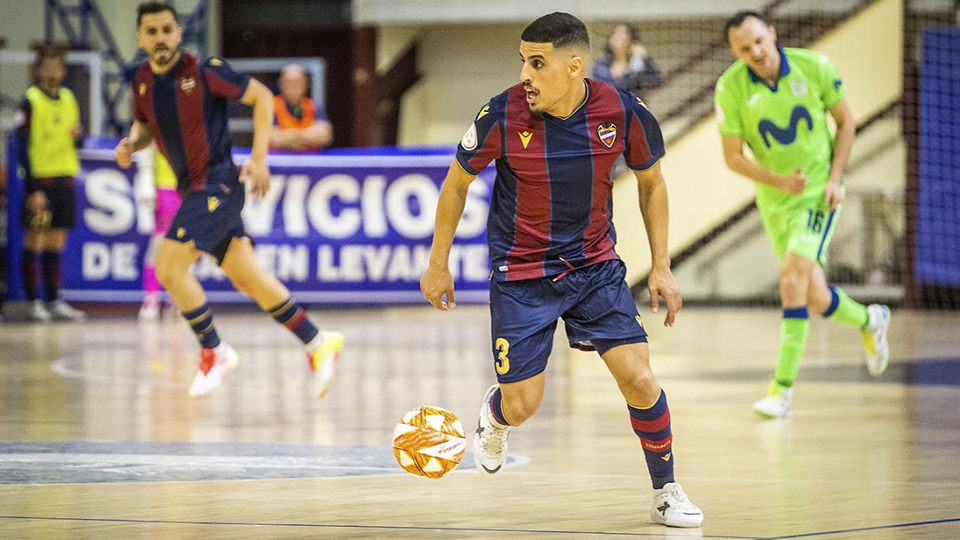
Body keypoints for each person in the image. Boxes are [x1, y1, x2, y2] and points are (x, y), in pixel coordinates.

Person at [420, 12, 703, 529]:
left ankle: (666, 489)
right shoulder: (501, 113)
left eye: (536, 63)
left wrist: (661, 266)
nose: (524, 74)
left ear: (574, 67)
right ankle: (498, 415)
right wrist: (437, 263)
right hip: (522, 274)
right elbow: (456, 184)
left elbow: (652, 182)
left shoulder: (621, 110)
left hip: (594, 267)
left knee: (639, 379)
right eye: (522, 62)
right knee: (524, 404)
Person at [115, 2, 344, 397]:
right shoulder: (141, 81)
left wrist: (258, 158)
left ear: (178, 33)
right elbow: (146, 129)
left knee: (168, 268)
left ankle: (214, 350)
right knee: (248, 277)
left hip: (216, 185)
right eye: (151, 32)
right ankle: (317, 340)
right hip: (193, 190)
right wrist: (130, 144)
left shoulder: (205, 72)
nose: (160, 38)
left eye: (167, 29)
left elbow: (261, 98)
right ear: (140, 38)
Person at [715, 11, 891, 419]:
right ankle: (871, 319)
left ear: (772, 34)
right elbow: (732, 158)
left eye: (759, 41)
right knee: (814, 295)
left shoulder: (815, 67)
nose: (755, 51)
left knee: (791, 279)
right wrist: (777, 181)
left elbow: (846, 123)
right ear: (734, 51)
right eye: (744, 48)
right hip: (776, 201)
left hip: (817, 194)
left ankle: (782, 390)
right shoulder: (731, 88)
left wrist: (834, 179)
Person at [16, 45, 86, 322]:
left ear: (63, 70)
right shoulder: (31, 100)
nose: (52, 72)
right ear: (38, 70)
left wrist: (78, 136)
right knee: (36, 239)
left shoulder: (69, 99)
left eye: (57, 67)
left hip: (65, 179)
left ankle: (54, 299)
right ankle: (33, 301)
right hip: (41, 182)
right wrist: (32, 189)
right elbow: (21, 145)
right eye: (47, 67)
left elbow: (77, 141)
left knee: (57, 240)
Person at [133, 144, 181, 321]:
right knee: (159, 245)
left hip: (187, 188)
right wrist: (147, 188)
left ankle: (177, 297)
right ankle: (151, 299)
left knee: (183, 246)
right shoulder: (158, 118)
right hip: (165, 188)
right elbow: (145, 157)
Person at [269, 63, 333, 151]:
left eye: (298, 82)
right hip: (279, 161)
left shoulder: (312, 107)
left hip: (310, 162)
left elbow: (325, 135)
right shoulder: (271, 106)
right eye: (289, 82)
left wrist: (287, 137)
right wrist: (308, 137)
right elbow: (271, 137)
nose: (294, 86)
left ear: (305, 84)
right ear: (281, 84)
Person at [591, 23, 661, 98]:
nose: (616, 36)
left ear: (631, 41)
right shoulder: (601, 65)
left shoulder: (638, 62)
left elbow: (654, 82)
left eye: (622, 33)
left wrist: (642, 59)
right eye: (614, 33)